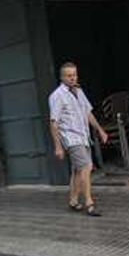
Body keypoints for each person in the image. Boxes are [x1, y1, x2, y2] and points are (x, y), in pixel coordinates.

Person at [49, 62, 109, 217]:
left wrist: (100, 130)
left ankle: (73, 201)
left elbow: (88, 113)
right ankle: (89, 203)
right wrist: (58, 146)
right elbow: (54, 123)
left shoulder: (79, 91)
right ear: (62, 77)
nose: (72, 78)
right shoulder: (57, 96)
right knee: (86, 167)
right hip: (71, 138)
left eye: (74, 74)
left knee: (77, 170)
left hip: (83, 136)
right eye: (69, 75)